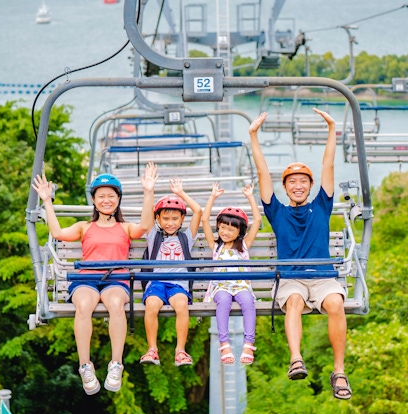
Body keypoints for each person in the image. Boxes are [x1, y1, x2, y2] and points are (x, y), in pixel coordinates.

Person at [248, 109, 352, 399]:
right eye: (292, 182)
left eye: (303, 181)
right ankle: (296, 359)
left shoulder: (321, 205)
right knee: (293, 301)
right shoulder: (277, 211)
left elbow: (328, 165)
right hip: (291, 278)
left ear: (310, 185)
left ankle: (339, 371)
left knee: (335, 302)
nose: (298, 186)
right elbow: (261, 173)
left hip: (322, 277)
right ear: (284, 187)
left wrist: (332, 128)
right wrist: (253, 136)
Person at [31, 162, 158, 395]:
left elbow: (146, 226)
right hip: (87, 280)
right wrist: (47, 201)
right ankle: (85, 366)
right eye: (101, 196)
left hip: (115, 280)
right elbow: (58, 233)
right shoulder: (84, 227)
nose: (106, 200)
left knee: (117, 304)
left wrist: (148, 191)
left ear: (118, 200)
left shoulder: (125, 228)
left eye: (111, 196)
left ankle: (116, 364)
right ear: (94, 200)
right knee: (83, 305)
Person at [139, 178, 202, 367]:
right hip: (156, 283)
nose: (170, 223)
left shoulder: (186, 238)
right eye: (165, 218)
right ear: (157, 219)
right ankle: (152, 349)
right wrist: (148, 191)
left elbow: (198, 211)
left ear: (182, 219)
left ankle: (180, 350)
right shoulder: (153, 236)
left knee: (181, 306)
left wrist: (180, 193)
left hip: (178, 284)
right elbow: (147, 215)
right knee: (151, 305)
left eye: (175, 219)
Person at [201, 182, 262, 365]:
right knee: (223, 303)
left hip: (241, 285)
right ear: (218, 227)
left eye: (231, 229)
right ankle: (224, 344)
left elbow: (257, 221)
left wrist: (250, 197)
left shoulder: (243, 246)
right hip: (221, 286)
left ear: (239, 232)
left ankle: (248, 343)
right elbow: (204, 220)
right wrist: (212, 197)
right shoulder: (216, 245)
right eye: (222, 228)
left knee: (248, 303)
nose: (225, 232)